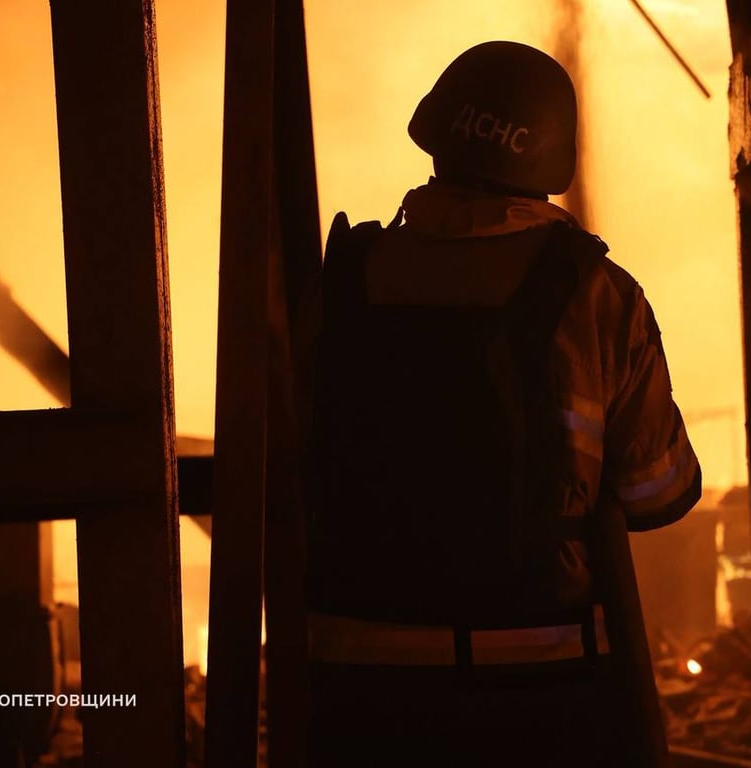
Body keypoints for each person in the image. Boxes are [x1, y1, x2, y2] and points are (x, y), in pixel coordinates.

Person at [293, 40, 701, 768]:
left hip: (356, 682)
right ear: (550, 158)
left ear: (437, 135)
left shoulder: (344, 280)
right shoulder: (596, 294)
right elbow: (656, 492)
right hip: (537, 686)